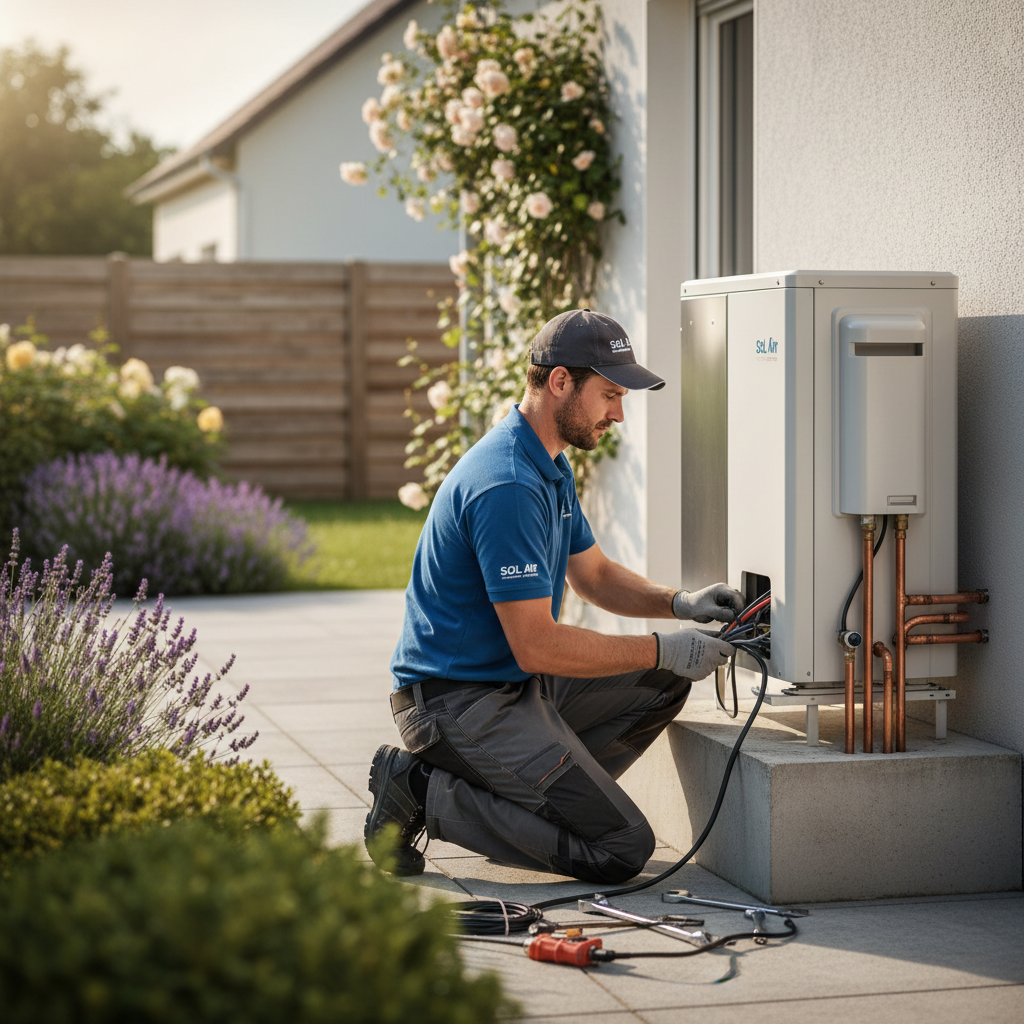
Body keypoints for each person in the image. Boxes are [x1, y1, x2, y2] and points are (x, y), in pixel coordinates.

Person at [364, 308, 741, 883]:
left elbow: (593, 575)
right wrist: (663, 646)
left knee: (663, 683)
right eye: (610, 394)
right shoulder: (509, 483)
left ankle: (531, 802)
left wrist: (680, 603)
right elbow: (536, 646)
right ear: (561, 381)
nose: (618, 413)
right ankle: (420, 791)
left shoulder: (548, 466)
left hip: (511, 688)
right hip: (454, 704)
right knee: (620, 848)